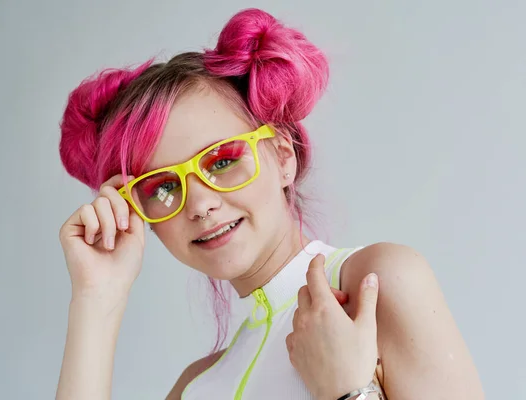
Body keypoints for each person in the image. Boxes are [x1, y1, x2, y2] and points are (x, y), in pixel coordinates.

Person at [55, 8, 484, 400]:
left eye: (222, 160)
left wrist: (350, 393)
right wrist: (97, 300)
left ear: (283, 156)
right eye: (162, 187)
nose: (200, 204)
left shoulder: (377, 286)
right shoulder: (196, 387)